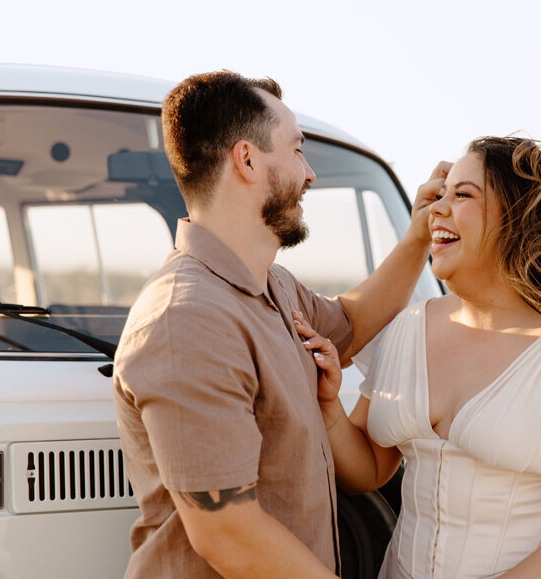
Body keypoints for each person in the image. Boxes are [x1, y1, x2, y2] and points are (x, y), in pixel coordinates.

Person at [295, 136, 541, 578]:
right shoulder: (408, 329)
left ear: (522, 219)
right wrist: (329, 405)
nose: (436, 210)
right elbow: (368, 470)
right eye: (438, 196)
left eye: (463, 195)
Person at [112, 70, 448, 578]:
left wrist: (418, 235)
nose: (310, 174)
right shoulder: (186, 320)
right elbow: (229, 532)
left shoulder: (275, 286)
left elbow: (352, 324)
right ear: (247, 160)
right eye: (296, 151)